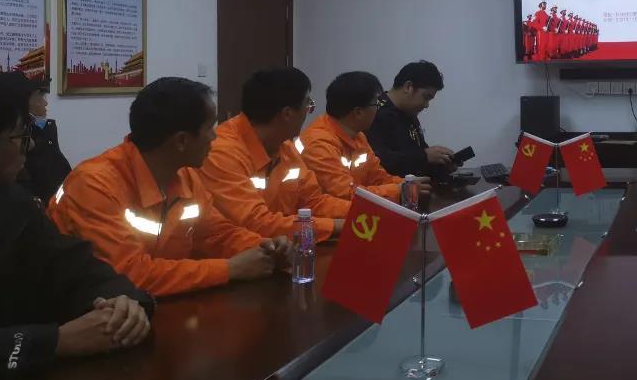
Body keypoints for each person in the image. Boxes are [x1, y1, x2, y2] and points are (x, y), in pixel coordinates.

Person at [0, 69, 152, 380]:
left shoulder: (10, 202)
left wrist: (123, 302)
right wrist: (56, 341)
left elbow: (74, 264)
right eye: (19, 137)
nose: (30, 147)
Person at [49, 78, 290, 297]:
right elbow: (130, 275)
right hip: (86, 310)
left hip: (157, 303)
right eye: (210, 127)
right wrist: (229, 269)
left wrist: (264, 247)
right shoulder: (95, 184)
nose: (215, 137)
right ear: (181, 141)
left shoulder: (184, 176)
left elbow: (216, 233)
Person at [200, 67, 350, 242]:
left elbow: (314, 202)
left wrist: (362, 212)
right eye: (308, 104)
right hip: (240, 252)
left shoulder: (284, 146)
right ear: (287, 113)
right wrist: (337, 226)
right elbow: (256, 223)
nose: (308, 111)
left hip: (280, 247)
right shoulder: (221, 153)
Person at [301, 72, 432, 203]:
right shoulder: (318, 143)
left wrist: (408, 184)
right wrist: (399, 190)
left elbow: (378, 178)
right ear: (358, 112)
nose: (379, 108)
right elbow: (346, 194)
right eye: (376, 103)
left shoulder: (358, 136)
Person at [367, 60, 456, 179]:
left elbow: (417, 160)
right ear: (408, 87)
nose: (427, 105)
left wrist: (441, 164)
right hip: (390, 189)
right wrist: (424, 156)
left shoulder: (409, 114)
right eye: (426, 97)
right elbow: (379, 161)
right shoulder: (374, 113)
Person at [15, 75, 71, 207]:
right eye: (39, 97)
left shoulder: (45, 131)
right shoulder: (27, 139)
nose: (45, 103)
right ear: (25, 102)